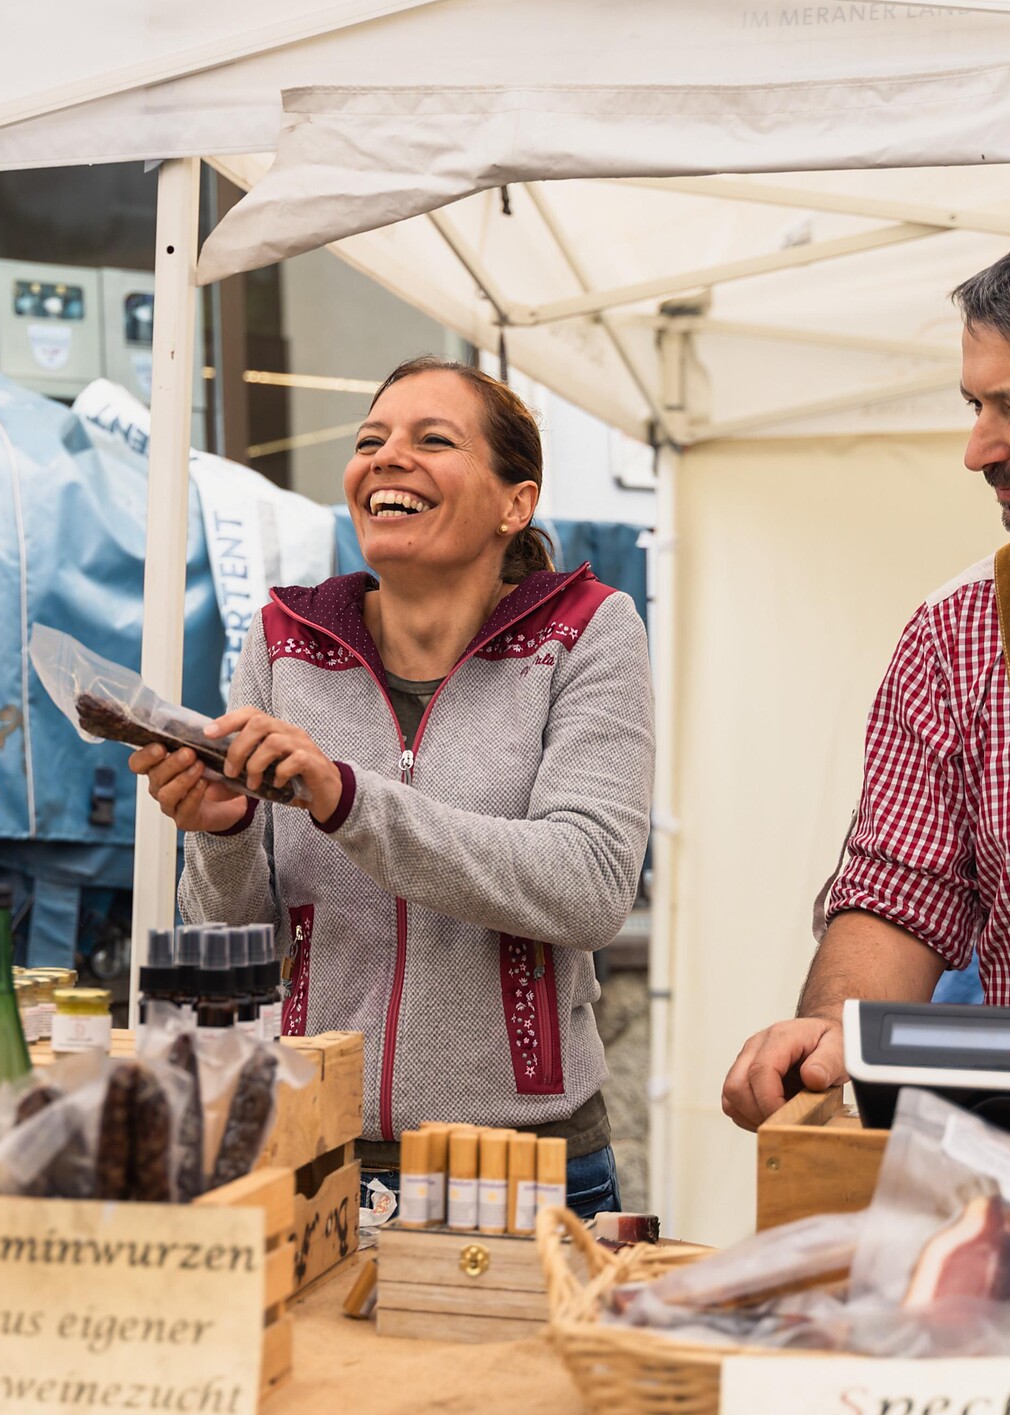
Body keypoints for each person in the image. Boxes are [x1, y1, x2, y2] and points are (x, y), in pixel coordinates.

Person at [132, 357, 654, 1218]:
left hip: (523, 1168)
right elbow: (239, 942)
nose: (387, 457)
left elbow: (590, 884)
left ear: (516, 503)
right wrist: (223, 834)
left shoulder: (589, 630)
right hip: (313, 1147)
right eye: (371, 439)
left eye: (432, 439)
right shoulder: (284, 640)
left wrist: (350, 799)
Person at [722, 217, 1010, 1131]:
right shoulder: (962, 634)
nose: (978, 448)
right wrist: (833, 1029)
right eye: (975, 404)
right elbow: (901, 894)